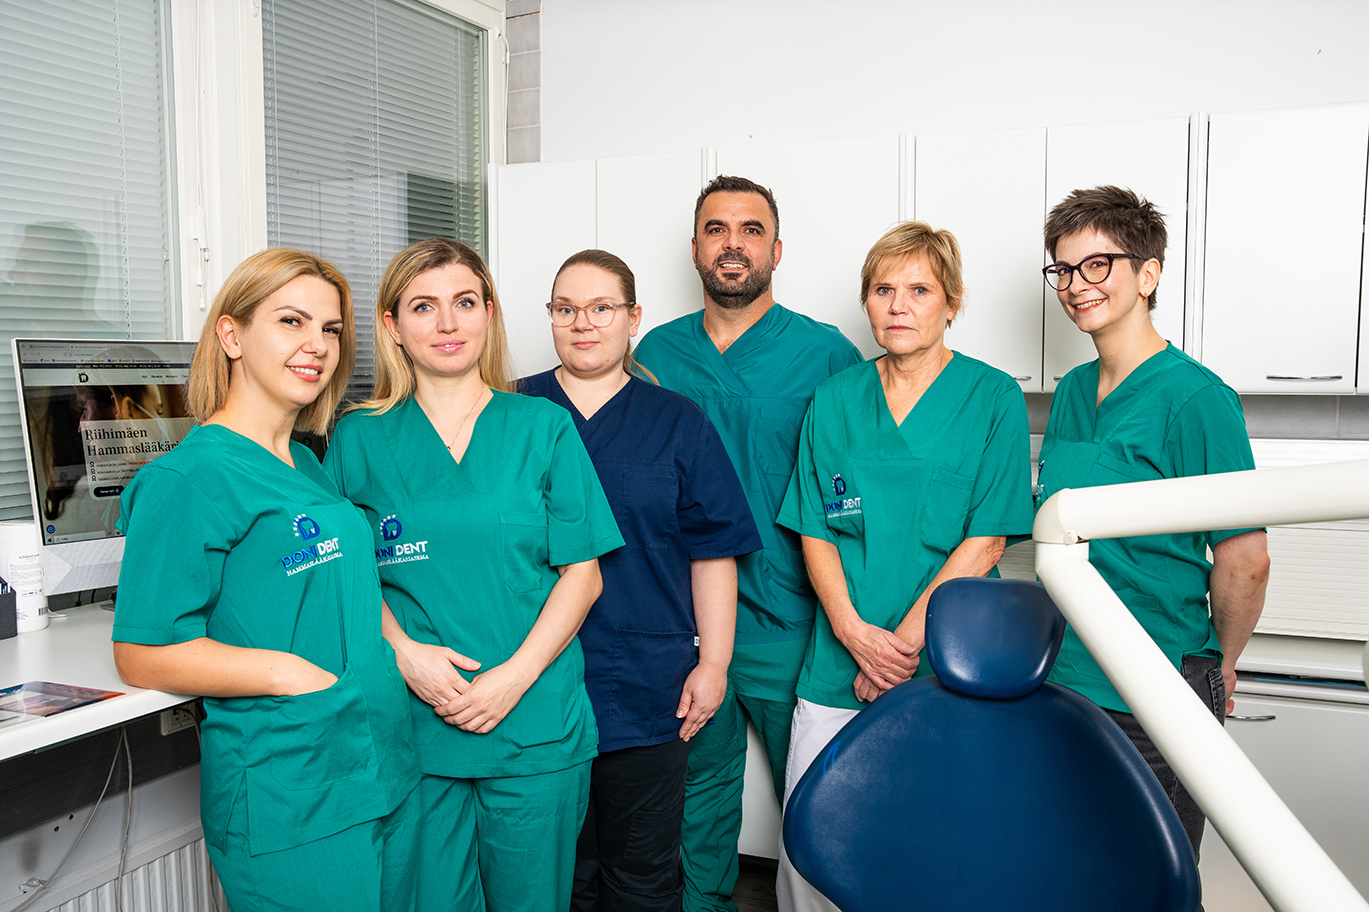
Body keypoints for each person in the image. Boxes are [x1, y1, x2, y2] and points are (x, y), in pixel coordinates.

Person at [111, 248, 420, 911]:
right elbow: (142, 652)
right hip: (290, 789)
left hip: (379, 765)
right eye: (290, 321)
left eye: (330, 329)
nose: (316, 345)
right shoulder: (187, 480)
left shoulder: (309, 465)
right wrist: (291, 675)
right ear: (231, 335)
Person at [324, 238, 623, 912]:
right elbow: (344, 576)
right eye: (423, 307)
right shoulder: (358, 437)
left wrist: (510, 680)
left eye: (464, 303)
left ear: (488, 314)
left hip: (533, 723)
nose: (448, 323)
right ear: (394, 326)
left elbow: (584, 574)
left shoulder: (542, 426)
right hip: (416, 723)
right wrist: (404, 655)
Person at [774, 221, 1034, 911]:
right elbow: (816, 530)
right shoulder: (835, 399)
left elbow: (986, 539)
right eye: (883, 289)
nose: (898, 305)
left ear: (951, 302)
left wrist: (898, 648)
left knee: (933, 848)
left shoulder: (991, 398)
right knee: (812, 842)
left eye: (918, 289)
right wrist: (856, 635)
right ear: (865, 301)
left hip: (947, 665)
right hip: (838, 661)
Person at [632, 176, 864, 912]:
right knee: (694, 805)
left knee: (822, 809)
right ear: (695, 247)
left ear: (776, 248)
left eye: (750, 228)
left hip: (788, 619)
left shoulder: (825, 354)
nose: (732, 243)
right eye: (715, 228)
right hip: (677, 623)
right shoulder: (653, 354)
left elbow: (852, 490)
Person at [520, 249, 763, 912]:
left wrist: (712, 663)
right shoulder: (511, 412)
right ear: (549, 318)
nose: (583, 323)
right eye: (565, 309)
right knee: (554, 877)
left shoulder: (677, 420)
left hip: (646, 685)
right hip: (533, 684)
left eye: (601, 308)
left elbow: (712, 552)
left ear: (633, 318)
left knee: (642, 875)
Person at [1037, 185, 1271, 857]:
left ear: (1147, 274)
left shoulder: (1196, 399)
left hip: (1154, 683)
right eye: (1062, 268)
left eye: (1096, 265)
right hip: (1063, 676)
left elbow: (1244, 559)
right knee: (1068, 871)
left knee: (1147, 878)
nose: (1075, 285)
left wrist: (1217, 665)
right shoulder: (1073, 392)